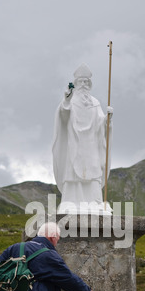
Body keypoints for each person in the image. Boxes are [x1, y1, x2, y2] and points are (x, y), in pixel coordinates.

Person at [52, 63, 113, 214]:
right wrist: (66, 100)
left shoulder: (95, 103)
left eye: (86, 82)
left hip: (91, 144)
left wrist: (108, 119)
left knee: (93, 171)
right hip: (75, 142)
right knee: (73, 172)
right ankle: (71, 202)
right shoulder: (70, 101)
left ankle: (94, 202)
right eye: (81, 82)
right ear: (76, 84)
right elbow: (64, 116)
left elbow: (101, 124)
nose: (84, 84)